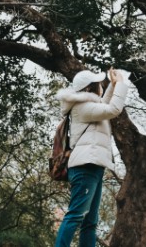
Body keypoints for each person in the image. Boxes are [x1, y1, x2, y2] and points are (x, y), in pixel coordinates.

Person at [54, 67, 128, 247]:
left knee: (90, 222)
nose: (100, 87)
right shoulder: (82, 108)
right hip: (85, 166)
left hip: (92, 166)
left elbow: (104, 104)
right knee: (76, 215)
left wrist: (114, 84)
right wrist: (122, 84)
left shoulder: (86, 106)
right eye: (97, 85)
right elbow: (113, 109)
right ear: (89, 89)